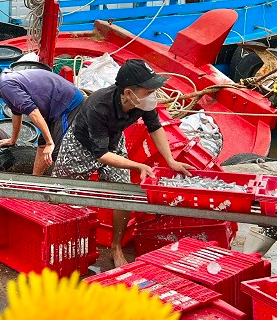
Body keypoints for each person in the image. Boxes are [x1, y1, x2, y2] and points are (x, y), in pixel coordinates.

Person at [52, 59, 193, 267]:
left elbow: (155, 127)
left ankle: (115, 247)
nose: (152, 96)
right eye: (148, 91)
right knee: (64, 196)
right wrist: (137, 165)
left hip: (113, 142)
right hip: (81, 147)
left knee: (124, 194)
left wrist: (170, 160)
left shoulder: (142, 102)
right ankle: (63, 245)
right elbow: (100, 154)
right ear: (128, 93)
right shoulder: (99, 105)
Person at [0, 58, 83, 176]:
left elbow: (33, 112)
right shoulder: (3, 82)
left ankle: (62, 184)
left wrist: (50, 142)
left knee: (55, 151)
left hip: (68, 104)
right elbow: (16, 112)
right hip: (55, 106)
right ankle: (35, 179)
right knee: (42, 143)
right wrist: (13, 140)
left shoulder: (5, 85)